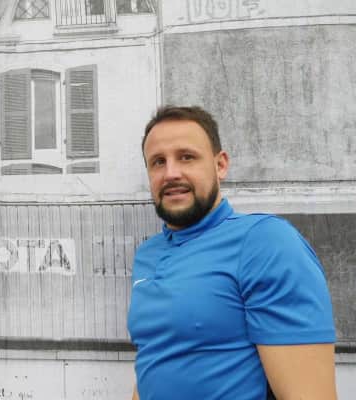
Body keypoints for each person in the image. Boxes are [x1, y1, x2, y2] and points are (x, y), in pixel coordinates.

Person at [127, 106, 337, 400]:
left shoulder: (265, 242)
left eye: (187, 157)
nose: (171, 173)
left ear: (220, 165)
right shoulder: (147, 254)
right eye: (158, 162)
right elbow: (155, 361)